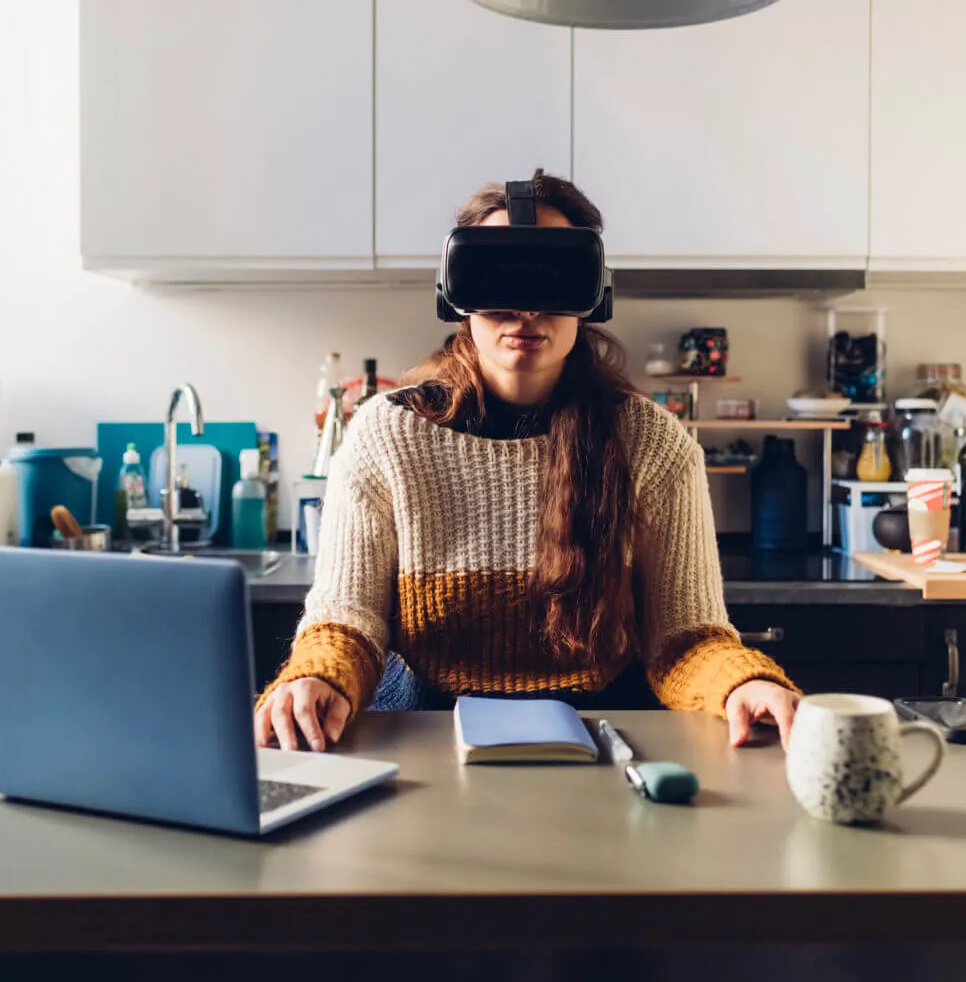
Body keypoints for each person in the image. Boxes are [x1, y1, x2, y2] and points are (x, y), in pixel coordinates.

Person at [254, 170, 800, 752]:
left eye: (553, 277)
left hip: (605, 735)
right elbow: (347, 620)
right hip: (428, 729)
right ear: (454, 291)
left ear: (592, 294)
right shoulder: (388, 436)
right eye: (498, 277)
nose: (526, 308)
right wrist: (317, 674)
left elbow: (686, 638)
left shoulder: (652, 444)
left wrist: (742, 681)